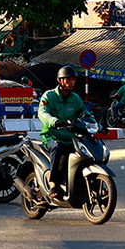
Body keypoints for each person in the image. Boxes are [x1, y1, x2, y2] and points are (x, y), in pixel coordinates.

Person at [37, 66, 86, 199]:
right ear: (60, 80)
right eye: (67, 79)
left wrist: (99, 125)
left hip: (71, 137)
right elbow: (42, 112)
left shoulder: (76, 99)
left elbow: (85, 114)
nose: (71, 82)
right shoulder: (49, 96)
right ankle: (53, 184)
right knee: (58, 148)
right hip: (51, 136)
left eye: (73, 79)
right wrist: (54, 121)